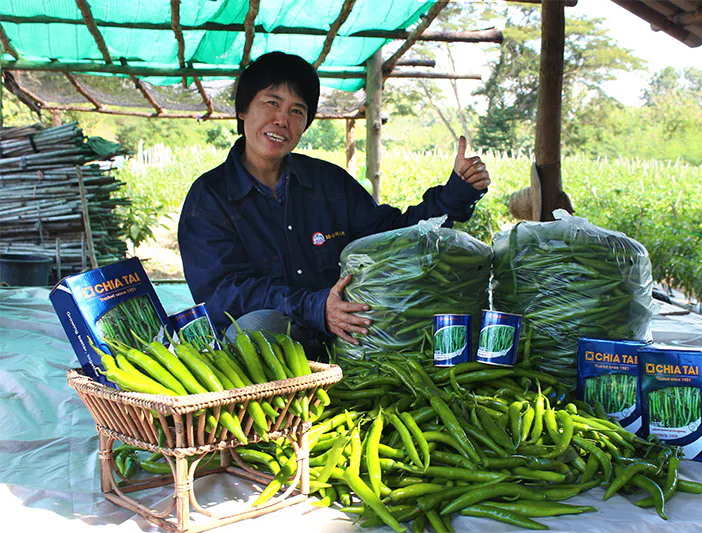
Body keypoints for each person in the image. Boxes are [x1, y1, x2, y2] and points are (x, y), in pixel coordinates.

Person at [178, 51, 490, 358]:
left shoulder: (328, 183)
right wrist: (314, 307)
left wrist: (456, 193)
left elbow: (388, 235)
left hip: (347, 333)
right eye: (272, 103)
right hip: (275, 350)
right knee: (256, 326)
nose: (282, 120)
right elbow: (224, 295)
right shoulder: (209, 199)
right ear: (243, 109)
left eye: (297, 111)